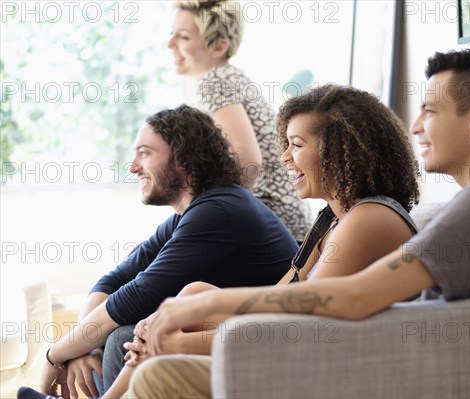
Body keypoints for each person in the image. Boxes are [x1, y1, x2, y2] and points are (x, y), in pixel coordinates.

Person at [115, 43, 470, 398]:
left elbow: (353, 297)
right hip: (376, 356)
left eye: (431, 111)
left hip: (360, 370)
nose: (417, 126)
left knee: (160, 372)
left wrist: (199, 309)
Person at [65, 83, 421, 399]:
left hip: (319, 366)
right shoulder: (332, 220)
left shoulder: (369, 218)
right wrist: (179, 316)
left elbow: (303, 322)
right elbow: (281, 296)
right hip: (293, 346)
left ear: (341, 152)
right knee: (190, 293)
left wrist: (178, 339)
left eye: (296, 145)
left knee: (161, 326)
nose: (284, 158)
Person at [20, 105, 298, 399]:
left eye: (145, 153)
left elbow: (139, 295)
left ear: (184, 158)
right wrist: (85, 346)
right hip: (224, 338)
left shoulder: (219, 210)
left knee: (122, 338)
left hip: (261, 348)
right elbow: (112, 282)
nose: (133, 166)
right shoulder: (191, 214)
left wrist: (55, 355)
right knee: (113, 335)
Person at [168, 0, 312, 241]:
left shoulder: (216, 82)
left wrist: (208, 213)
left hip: (274, 222)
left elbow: (248, 163)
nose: (170, 44)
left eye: (183, 37)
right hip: (286, 221)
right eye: (172, 34)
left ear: (218, 46)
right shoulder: (228, 77)